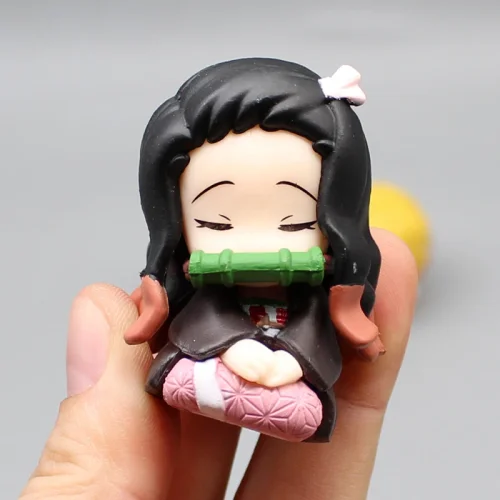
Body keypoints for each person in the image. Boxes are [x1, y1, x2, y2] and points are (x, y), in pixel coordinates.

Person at [20, 228, 417, 500]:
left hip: (286, 365)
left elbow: (318, 332)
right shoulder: (209, 286)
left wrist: (293, 361)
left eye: (292, 221)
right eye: (218, 221)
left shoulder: (311, 297)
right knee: (182, 375)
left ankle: (266, 392)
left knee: (308, 408)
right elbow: (198, 317)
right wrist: (230, 347)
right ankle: (214, 381)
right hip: (213, 355)